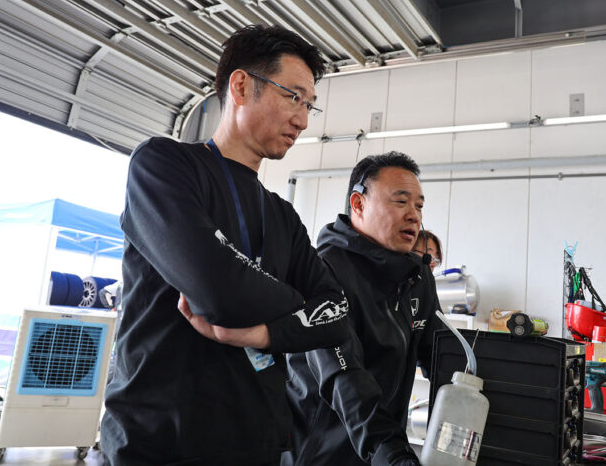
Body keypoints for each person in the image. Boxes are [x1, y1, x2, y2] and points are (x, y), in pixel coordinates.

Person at [100, 24, 350, 466]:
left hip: (259, 443)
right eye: (293, 97)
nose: (303, 119)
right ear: (241, 86)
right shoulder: (164, 166)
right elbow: (217, 291)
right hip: (160, 442)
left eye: (310, 105)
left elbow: (338, 314)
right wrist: (297, 304)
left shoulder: (282, 215)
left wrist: (263, 333)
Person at [283, 152, 441, 465]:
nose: (414, 216)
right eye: (401, 201)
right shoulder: (323, 274)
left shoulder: (417, 277)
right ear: (358, 204)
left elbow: (442, 358)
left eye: (419, 206)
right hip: (320, 455)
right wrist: (395, 457)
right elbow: (345, 380)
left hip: (378, 452)